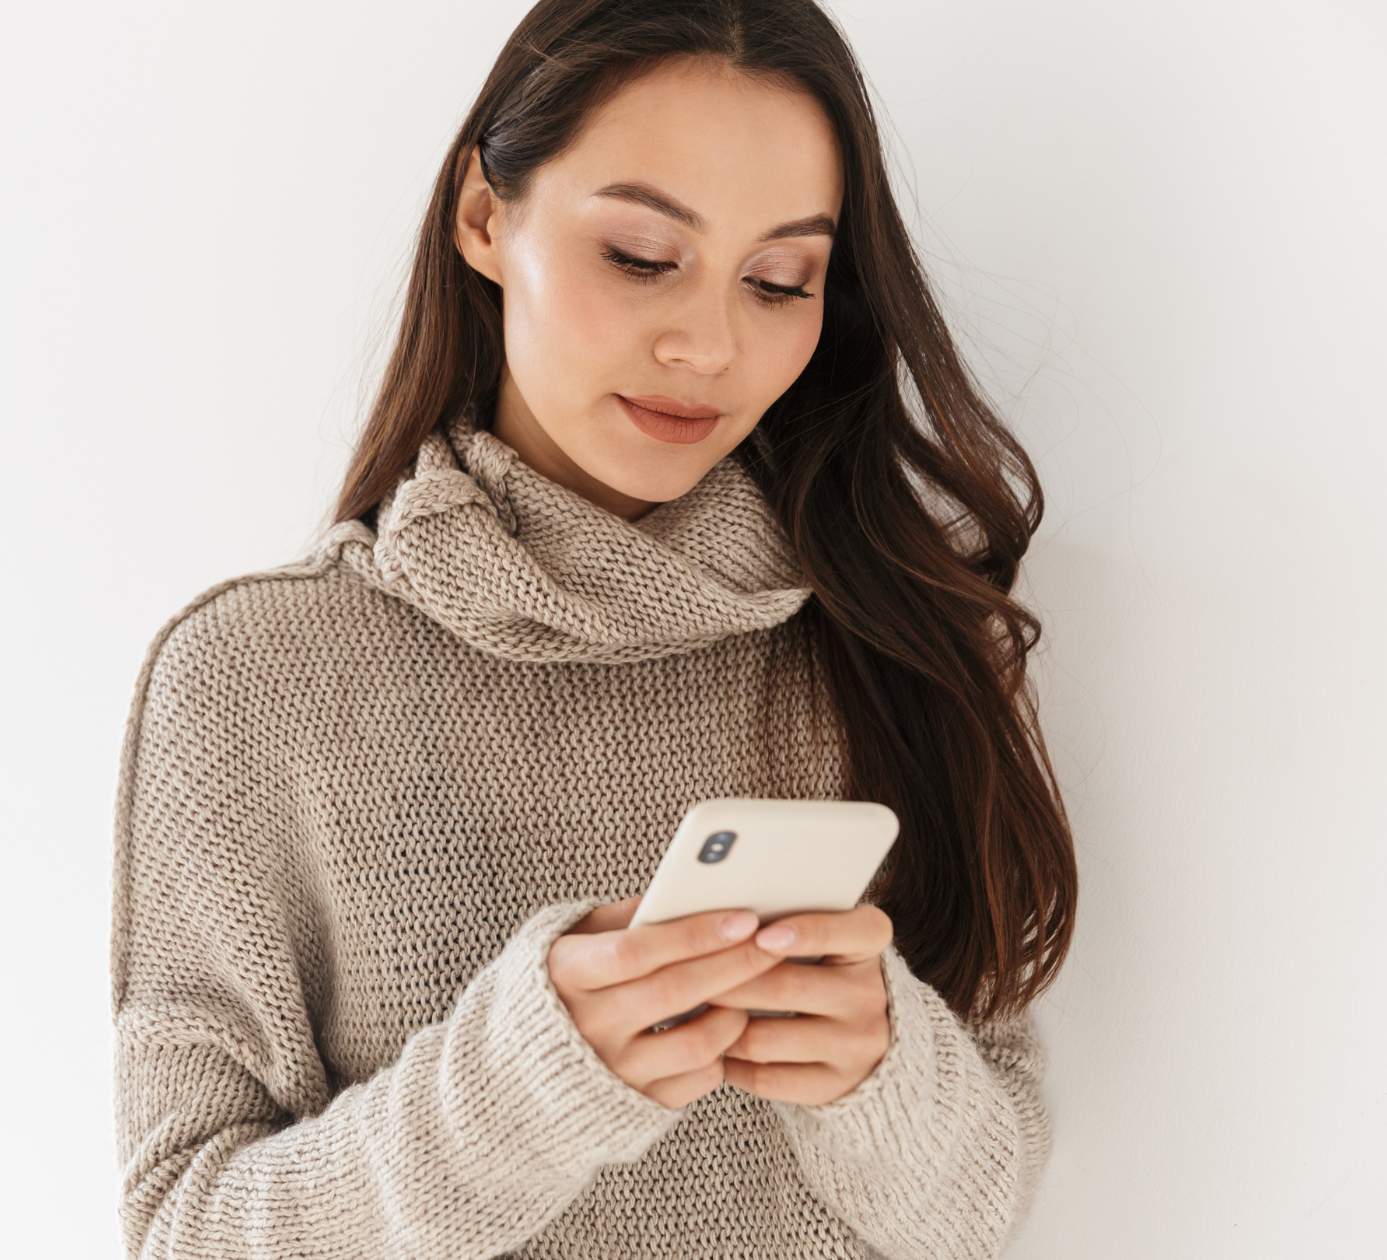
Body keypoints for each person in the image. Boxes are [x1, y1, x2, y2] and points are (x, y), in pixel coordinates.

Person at [109, 1, 1078, 1255]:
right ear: (483, 219)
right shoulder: (252, 676)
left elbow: (980, 1210)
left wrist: (876, 1077)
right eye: (638, 254)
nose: (707, 344)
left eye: (779, 281)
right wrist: (517, 1090)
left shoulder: (902, 634)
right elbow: (182, 1231)